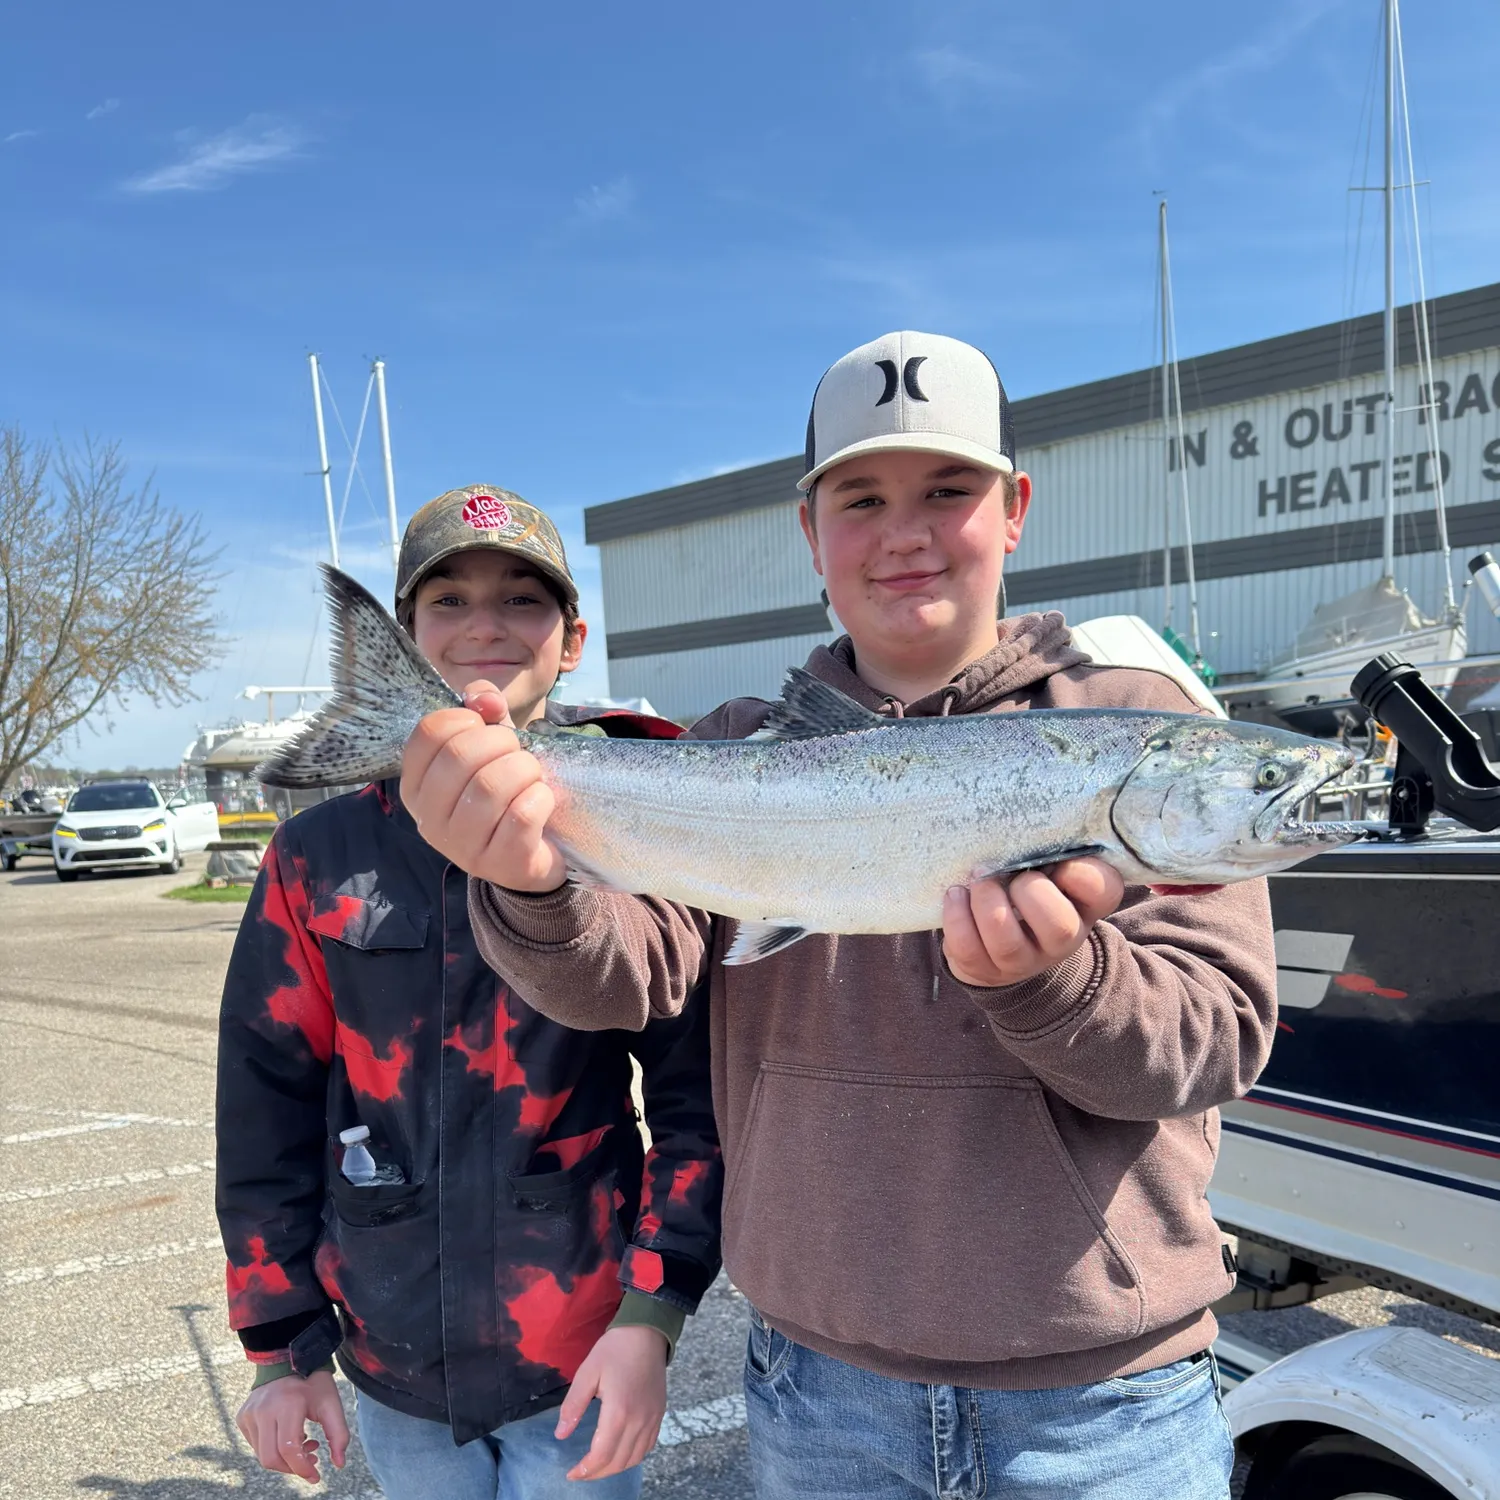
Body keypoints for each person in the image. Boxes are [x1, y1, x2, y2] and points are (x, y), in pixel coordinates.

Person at [401, 339, 1277, 1500]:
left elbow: (1213, 1043)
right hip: (819, 1397)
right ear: (810, 532)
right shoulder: (730, 748)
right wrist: (525, 881)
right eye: (861, 500)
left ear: (1013, 510)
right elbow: (625, 981)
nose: (904, 532)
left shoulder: (1139, 731)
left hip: (1105, 1404)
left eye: (947, 492)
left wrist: (1054, 982)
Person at [216, 485, 721, 1499]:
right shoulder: (318, 854)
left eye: (522, 600)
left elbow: (696, 1096)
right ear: (404, 636)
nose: (484, 624)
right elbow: (264, 1102)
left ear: (572, 640)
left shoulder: (633, 830)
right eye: (447, 600)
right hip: (394, 1360)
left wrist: (652, 1316)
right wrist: (281, 1353)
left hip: (578, 1352)